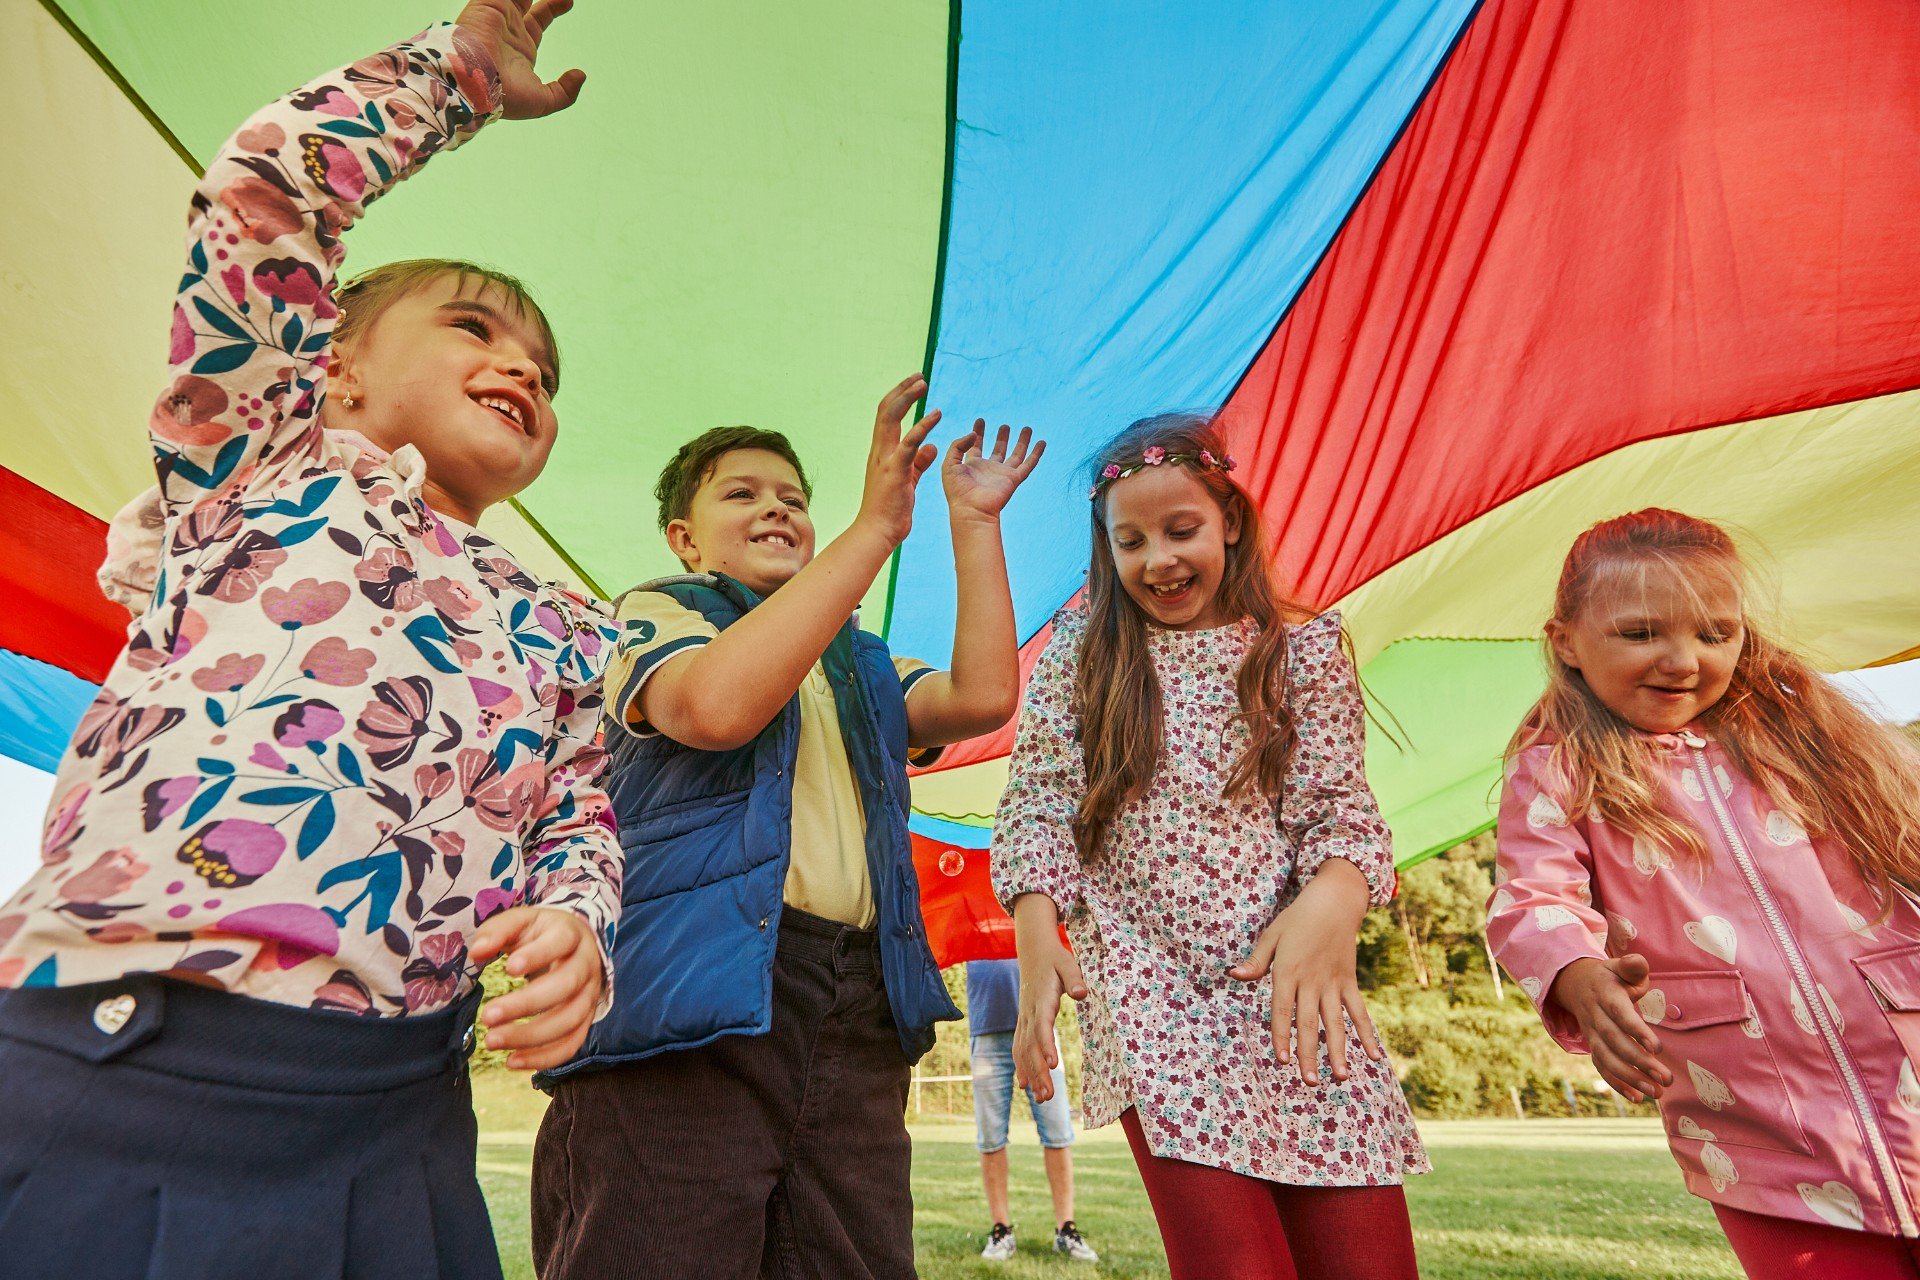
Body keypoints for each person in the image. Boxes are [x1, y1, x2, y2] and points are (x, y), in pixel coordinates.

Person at [0, 4, 621, 1276]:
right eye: (476, 327)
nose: (524, 368)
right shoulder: (260, 466)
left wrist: (577, 919)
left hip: (392, 1115)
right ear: (331, 367)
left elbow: (580, 811)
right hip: (117, 1054)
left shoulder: (568, 624)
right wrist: (458, 71)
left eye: (548, 372)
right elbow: (268, 191)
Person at [529, 410, 1045, 1277]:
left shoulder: (862, 662)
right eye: (742, 493)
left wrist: (974, 523)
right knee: (660, 1243)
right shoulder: (658, 614)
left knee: (850, 1253)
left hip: (854, 999)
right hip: (693, 991)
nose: (777, 508)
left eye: (794, 498)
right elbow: (715, 707)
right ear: (684, 539)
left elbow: (984, 697)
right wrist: (875, 528)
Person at [993, 414, 1427, 1280]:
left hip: (1295, 996)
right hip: (1154, 1001)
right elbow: (1038, 802)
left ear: (1229, 520)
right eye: (1130, 541)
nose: (1158, 559)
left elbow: (1340, 815)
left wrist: (1335, 901)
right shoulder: (1083, 655)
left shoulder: (1301, 654)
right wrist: (1037, 940)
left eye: (1180, 529)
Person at [1488, 508, 1920, 1279]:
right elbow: (1533, 896)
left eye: (1715, 634)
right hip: (1758, 1134)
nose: (1683, 660)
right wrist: (1578, 975)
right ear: (1567, 642)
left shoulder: (1805, 735)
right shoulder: (1558, 769)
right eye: (1641, 632)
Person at [966, 957, 1098, 1261]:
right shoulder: (973, 927)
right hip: (986, 1032)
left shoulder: (1033, 925)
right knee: (990, 1138)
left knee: (1058, 1133)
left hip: (1038, 1029)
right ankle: (1001, 1230)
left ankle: (1066, 1229)